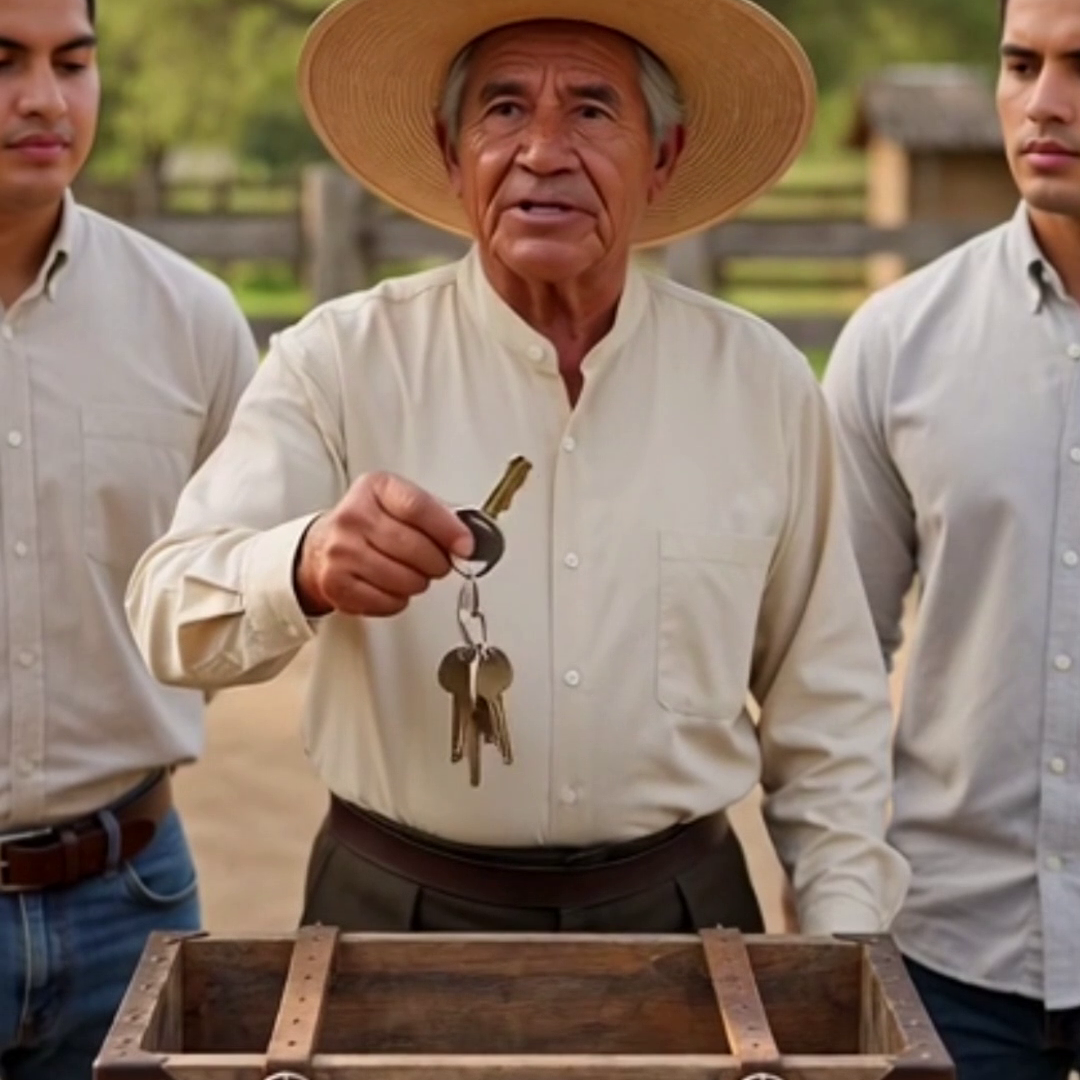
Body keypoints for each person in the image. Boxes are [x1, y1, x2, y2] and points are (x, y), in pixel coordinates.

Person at [126, 0, 909, 939]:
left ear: (662, 157)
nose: (543, 150)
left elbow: (828, 705)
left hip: (683, 913)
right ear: (452, 153)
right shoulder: (339, 361)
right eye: (502, 111)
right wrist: (302, 564)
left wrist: (847, 933)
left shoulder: (761, 385)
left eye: (590, 110)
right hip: (392, 910)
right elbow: (170, 615)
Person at [0, 0, 259, 1077]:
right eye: (3, 62)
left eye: (74, 61)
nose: (44, 99)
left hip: (134, 899)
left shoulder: (193, 321)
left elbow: (253, 581)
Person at [822, 0, 1080, 1074]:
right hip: (951, 960)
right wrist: (834, 891)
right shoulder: (897, 343)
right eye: (1021, 64)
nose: (1044, 104)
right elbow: (830, 663)